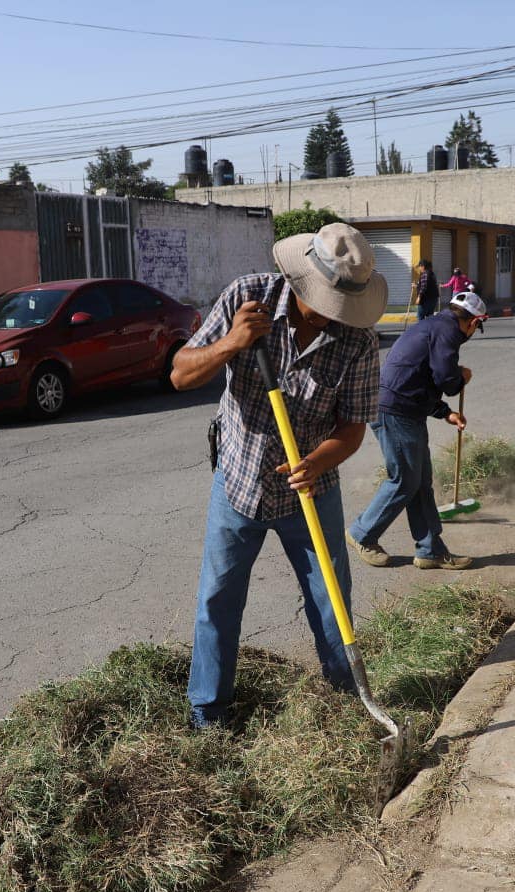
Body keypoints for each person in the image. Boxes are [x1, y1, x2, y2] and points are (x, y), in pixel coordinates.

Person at [169, 222, 385, 729]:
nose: (334, 316)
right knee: (217, 600)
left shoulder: (357, 341)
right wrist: (231, 344)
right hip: (239, 481)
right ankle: (208, 712)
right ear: (302, 277)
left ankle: (346, 702)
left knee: (331, 601)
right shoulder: (249, 298)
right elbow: (180, 374)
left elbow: (351, 430)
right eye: (325, 301)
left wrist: (316, 462)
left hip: (311, 491)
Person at [346, 291, 485, 573]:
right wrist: (460, 378)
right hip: (395, 411)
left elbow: (418, 376)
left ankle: (430, 550)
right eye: (476, 326)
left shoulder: (432, 325)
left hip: (403, 409)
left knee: (420, 483)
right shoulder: (447, 331)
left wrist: (445, 412)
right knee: (404, 481)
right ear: (473, 322)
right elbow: (446, 378)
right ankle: (362, 533)